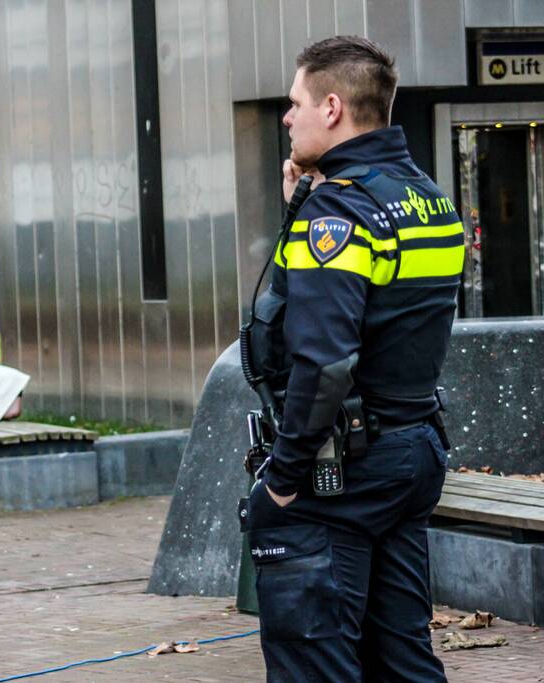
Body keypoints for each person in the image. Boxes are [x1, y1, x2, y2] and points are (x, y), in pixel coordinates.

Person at [242, 36, 464, 681]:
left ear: (332, 107)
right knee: (402, 661)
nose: (288, 118)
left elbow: (324, 361)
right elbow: (393, 320)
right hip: (412, 450)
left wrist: (281, 480)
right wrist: (301, 209)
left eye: (295, 103)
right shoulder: (428, 198)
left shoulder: (338, 211)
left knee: (315, 661)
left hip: (340, 468)